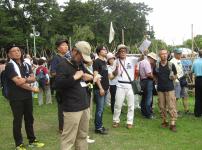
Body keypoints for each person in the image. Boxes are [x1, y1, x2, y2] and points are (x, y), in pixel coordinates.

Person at [4, 44, 44, 150]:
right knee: (18, 120)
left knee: (29, 119)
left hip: (27, 96)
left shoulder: (25, 64)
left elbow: (33, 78)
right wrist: (32, 88)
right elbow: (17, 82)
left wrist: (24, 79)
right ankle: (19, 143)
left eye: (18, 50)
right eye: (13, 51)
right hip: (16, 97)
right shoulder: (9, 66)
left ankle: (32, 140)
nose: (17, 52)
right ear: (9, 54)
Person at [55, 41, 93, 150]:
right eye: (81, 56)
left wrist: (89, 77)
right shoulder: (62, 65)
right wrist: (74, 77)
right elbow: (58, 84)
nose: (83, 59)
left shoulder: (79, 64)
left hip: (84, 105)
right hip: (72, 108)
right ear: (75, 51)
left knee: (83, 136)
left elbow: (86, 75)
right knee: (68, 138)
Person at [112, 44, 138, 129]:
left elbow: (140, 59)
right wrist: (116, 68)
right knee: (118, 105)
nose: (123, 53)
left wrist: (144, 54)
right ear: (118, 53)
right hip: (120, 85)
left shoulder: (132, 59)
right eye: (121, 51)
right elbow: (114, 74)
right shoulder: (116, 61)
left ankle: (129, 122)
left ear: (126, 52)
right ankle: (116, 121)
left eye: (124, 51)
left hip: (130, 85)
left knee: (131, 105)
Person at [154, 49, 178, 132]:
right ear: (159, 55)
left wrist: (173, 77)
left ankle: (172, 123)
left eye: (165, 54)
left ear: (167, 55)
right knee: (161, 106)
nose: (164, 55)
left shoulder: (171, 65)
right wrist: (157, 83)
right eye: (162, 54)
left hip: (170, 89)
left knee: (171, 106)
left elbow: (175, 75)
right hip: (160, 89)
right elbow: (155, 76)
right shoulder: (157, 65)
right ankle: (164, 121)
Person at [50, 39, 69, 133]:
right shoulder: (56, 58)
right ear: (58, 48)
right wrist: (64, 74)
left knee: (68, 107)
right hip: (60, 87)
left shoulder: (67, 58)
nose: (66, 47)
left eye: (66, 45)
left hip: (68, 86)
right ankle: (62, 128)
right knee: (62, 108)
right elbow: (52, 73)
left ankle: (67, 126)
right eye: (63, 45)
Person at [93, 45, 109, 134]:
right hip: (100, 89)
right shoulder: (96, 62)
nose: (105, 50)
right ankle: (98, 128)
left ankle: (100, 125)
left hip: (106, 88)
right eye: (103, 49)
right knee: (99, 109)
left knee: (102, 108)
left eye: (105, 49)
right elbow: (96, 75)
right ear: (99, 52)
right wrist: (101, 88)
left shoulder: (105, 62)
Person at [170, 48, 190, 114]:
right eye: (178, 53)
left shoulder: (180, 60)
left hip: (182, 79)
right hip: (176, 80)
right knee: (176, 96)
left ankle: (186, 110)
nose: (180, 55)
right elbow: (171, 72)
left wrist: (185, 74)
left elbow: (180, 71)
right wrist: (175, 79)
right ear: (175, 54)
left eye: (180, 53)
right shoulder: (172, 61)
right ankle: (175, 110)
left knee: (185, 95)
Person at [139, 52, 157, 119]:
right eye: (154, 59)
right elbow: (148, 74)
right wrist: (154, 79)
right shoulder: (146, 63)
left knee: (144, 97)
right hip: (148, 80)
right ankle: (148, 114)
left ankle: (143, 112)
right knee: (148, 98)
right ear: (151, 58)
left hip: (143, 80)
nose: (154, 61)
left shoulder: (142, 62)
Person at [191, 50, 202, 117]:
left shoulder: (195, 61)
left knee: (198, 96)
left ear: (199, 54)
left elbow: (192, 71)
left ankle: (197, 113)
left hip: (198, 79)